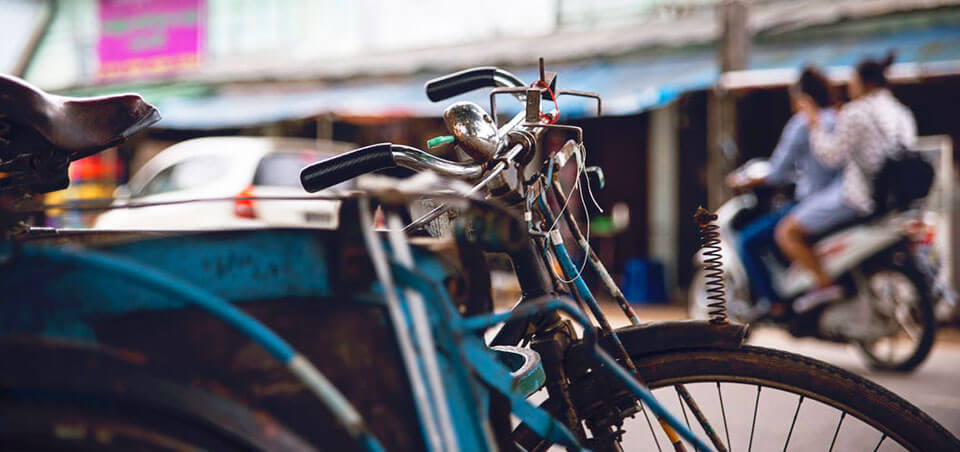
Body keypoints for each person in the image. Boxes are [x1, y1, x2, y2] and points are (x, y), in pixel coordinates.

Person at [778, 51, 917, 308]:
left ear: (867, 83)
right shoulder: (902, 113)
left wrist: (814, 123)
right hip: (894, 201)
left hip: (858, 196)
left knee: (786, 231)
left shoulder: (856, 113)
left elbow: (831, 157)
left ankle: (824, 284)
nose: (850, 86)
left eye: (853, 80)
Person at [727, 66, 839, 319]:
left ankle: (773, 302)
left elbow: (777, 171)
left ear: (803, 97)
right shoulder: (838, 118)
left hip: (813, 202)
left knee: (747, 240)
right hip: (838, 200)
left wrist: (747, 179)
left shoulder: (804, 123)